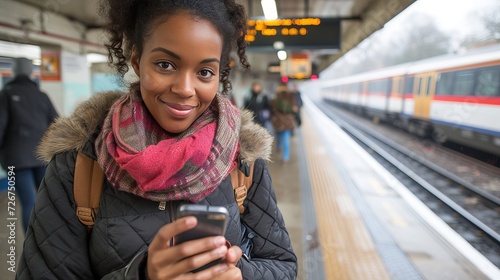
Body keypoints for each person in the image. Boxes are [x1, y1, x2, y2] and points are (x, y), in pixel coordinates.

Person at [16, 1, 297, 279]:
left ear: (219, 74)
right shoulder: (79, 162)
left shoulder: (242, 159)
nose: (185, 89)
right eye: (165, 64)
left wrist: (238, 272)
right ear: (137, 61)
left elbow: (283, 266)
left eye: (204, 72)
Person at [0, 57, 58, 232]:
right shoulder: (41, 96)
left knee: (27, 202)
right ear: (31, 72)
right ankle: (48, 240)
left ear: (14, 71)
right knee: (45, 201)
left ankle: (30, 246)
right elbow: (56, 124)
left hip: (16, 160)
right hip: (42, 156)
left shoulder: (6, 94)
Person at [271, 82, 297, 163]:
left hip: (280, 121)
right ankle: (284, 155)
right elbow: (295, 109)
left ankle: (285, 156)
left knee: (283, 138)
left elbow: (272, 107)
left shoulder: (276, 98)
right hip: (284, 121)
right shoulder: (289, 98)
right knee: (282, 137)